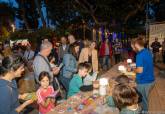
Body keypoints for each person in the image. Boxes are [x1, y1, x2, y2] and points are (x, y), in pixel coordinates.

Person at [131, 37, 155, 112]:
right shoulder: (147, 51)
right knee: (144, 98)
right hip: (151, 80)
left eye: (132, 47)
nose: (133, 49)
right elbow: (145, 65)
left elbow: (140, 70)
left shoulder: (139, 55)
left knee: (143, 101)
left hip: (144, 82)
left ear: (136, 45)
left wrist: (132, 69)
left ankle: (144, 112)